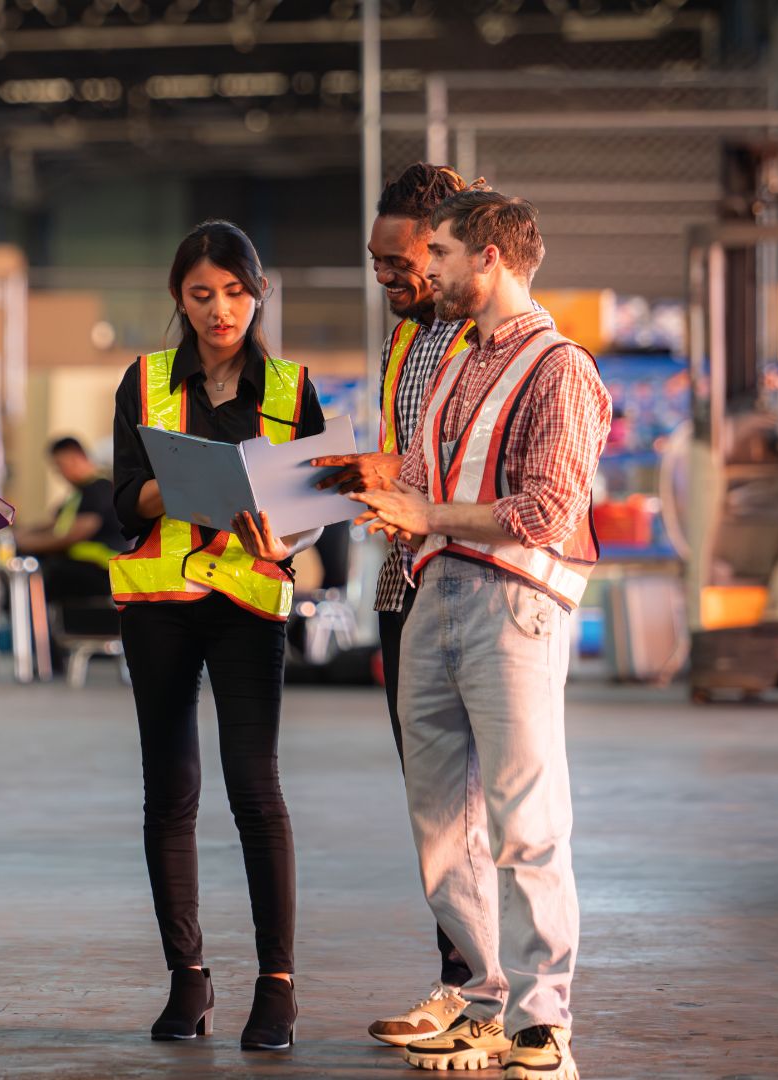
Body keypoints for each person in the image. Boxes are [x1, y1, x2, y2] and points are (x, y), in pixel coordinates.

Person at [349, 191, 610, 1079]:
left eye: (446, 253)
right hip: (435, 592)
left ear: (490, 258)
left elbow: (547, 509)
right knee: (443, 821)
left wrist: (428, 511)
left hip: (512, 602)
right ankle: (483, 998)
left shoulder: (561, 368)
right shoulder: (460, 361)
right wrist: (372, 493)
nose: (432, 270)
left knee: (525, 818)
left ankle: (543, 1022)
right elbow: (424, 470)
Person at [110, 220, 327, 1052]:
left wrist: (290, 537)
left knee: (254, 786)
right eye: (201, 295)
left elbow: (313, 516)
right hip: (161, 601)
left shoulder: (291, 389)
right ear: (179, 299)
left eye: (234, 292)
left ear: (257, 293)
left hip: (246, 600)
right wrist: (178, 488)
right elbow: (121, 497)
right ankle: (187, 979)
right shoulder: (145, 381)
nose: (218, 309)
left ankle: (278, 984)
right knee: (169, 791)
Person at [313, 163, 490, 1049]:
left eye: (401, 261)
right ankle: (461, 982)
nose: (386, 277)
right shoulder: (407, 342)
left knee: (482, 800)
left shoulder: (495, 341)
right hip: (404, 581)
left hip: (478, 584)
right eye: (376, 262)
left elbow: (497, 472)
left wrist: (400, 476)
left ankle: (490, 994)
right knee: (435, 801)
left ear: (453, 249)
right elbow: (405, 453)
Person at [14, 436, 127, 636]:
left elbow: (75, 533)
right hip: (85, 567)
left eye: (60, 465)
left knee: (37, 579)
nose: (60, 473)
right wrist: (19, 534)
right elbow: (54, 526)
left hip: (101, 570)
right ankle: (40, 647)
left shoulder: (99, 489)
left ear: (76, 458)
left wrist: (28, 542)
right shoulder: (78, 494)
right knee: (30, 574)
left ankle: (44, 650)